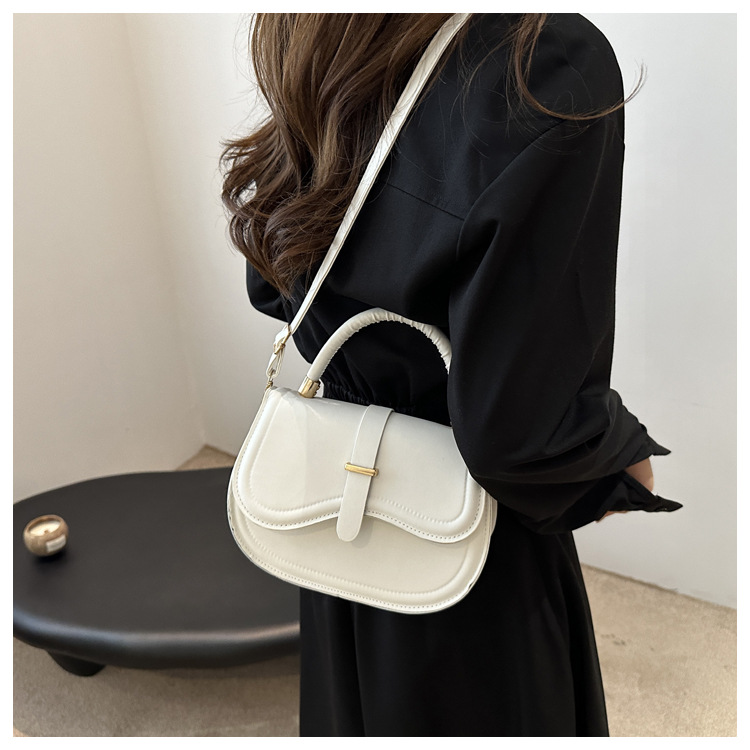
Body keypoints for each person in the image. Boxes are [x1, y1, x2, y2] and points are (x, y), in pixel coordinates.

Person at [221, 13, 682, 737]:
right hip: (471, 544)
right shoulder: (544, 63)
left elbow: (278, 281)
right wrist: (613, 465)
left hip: (336, 519)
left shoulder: (319, 25)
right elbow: (516, 432)